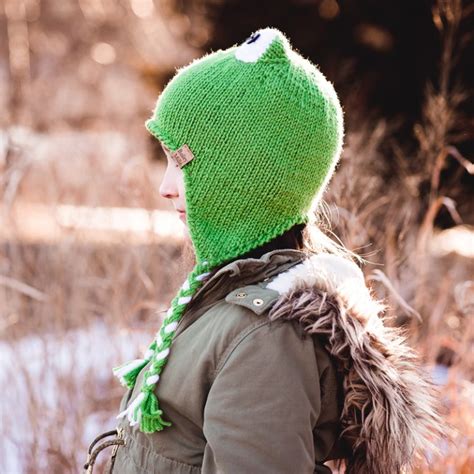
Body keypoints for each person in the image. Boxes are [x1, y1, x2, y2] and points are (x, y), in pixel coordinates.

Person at [84, 27, 442, 474]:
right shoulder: (228, 299)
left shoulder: (265, 339)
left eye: (181, 161)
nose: (165, 187)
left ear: (244, 179)